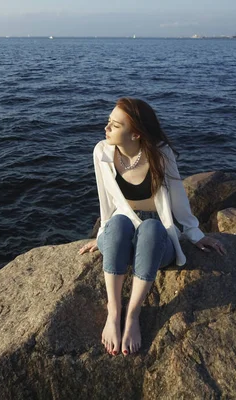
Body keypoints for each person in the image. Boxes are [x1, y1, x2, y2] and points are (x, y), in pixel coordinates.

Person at [78, 97, 227, 357]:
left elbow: (179, 202)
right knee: (119, 223)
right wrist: (103, 234)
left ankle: (133, 315)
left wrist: (195, 234)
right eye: (108, 123)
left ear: (135, 133)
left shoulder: (160, 155)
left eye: (114, 125)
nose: (106, 128)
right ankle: (114, 313)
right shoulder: (101, 152)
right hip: (123, 226)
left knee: (150, 228)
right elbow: (105, 203)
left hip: (157, 236)